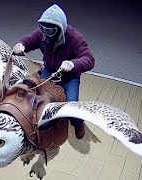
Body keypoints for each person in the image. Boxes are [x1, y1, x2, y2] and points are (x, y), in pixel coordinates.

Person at [13, 4, 95, 139]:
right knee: (40, 100)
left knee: (71, 107)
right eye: (43, 28)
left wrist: (73, 63)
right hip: (50, 72)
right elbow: (29, 40)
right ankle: (45, 125)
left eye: (50, 31)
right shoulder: (42, 33)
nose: (45, 33)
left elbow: (89, 59)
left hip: (70, 77)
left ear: (59, 29)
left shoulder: (75, 38)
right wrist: (21, 44)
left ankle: (78, 123)